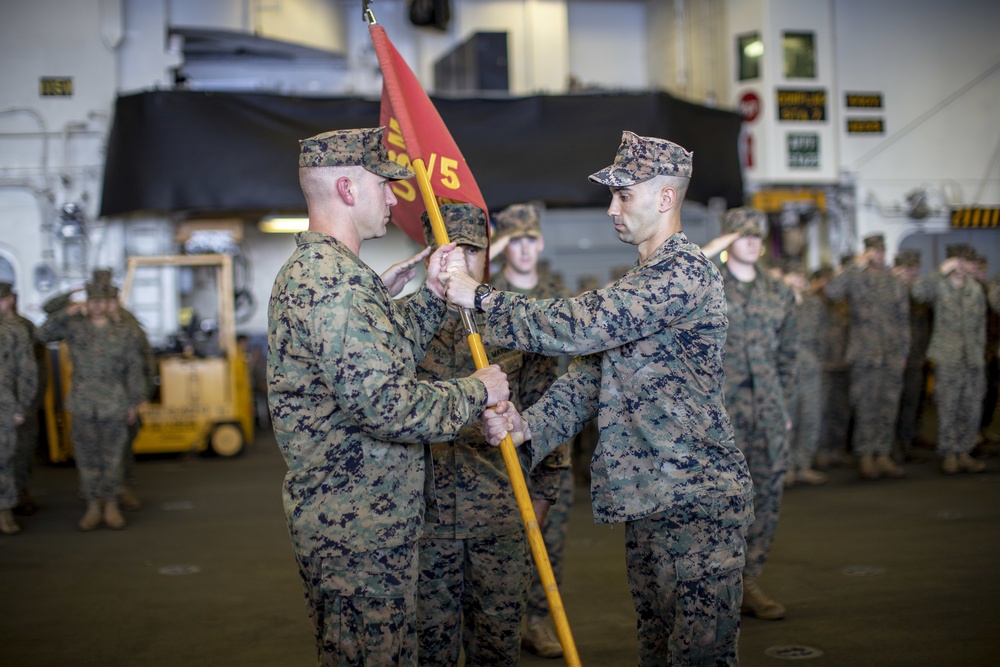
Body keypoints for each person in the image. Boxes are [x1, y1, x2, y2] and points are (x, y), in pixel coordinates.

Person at [448, 130, 753, 666]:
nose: (612, 208)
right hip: (653, 497)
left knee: (698, 657)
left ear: (665, 197)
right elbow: (592, 375)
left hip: (696, 501)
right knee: (656, 648)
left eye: (624, 195)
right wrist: (530, 427)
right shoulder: (644, 278)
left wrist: (481, 297)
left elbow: (581, 326)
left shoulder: (682, 271)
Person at [266, 127, 510, 667]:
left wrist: (430, 297)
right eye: (384, 185)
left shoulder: (332, 275)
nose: (394, 198)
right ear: (347, 189)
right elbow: (387, 406)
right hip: (357, 532)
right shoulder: (336, 285)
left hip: (362, 524)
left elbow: (379, 360)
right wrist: (478, 390)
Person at [412, 203, 552, 665]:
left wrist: (545, 494)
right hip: (426, 520)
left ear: (488, 254)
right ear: (430, 253)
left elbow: (546, 410)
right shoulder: (404, 326)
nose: (461, 261)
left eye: (472, 250)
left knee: (497, 647)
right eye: (449, 249)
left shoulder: (513, 321)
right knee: (430, 650)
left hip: (500, 515)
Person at [702, 209, 797, 621]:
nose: (752, 241)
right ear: (727, 240)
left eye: (757, 235)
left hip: (768, 411)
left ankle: (749, 581)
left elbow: (788, 355)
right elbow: (662, 275)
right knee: (722, 500)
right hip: (722, 415)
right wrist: (712, 251)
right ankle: (717, 585)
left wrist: (783, 405)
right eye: (742, 235)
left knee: (767, 495)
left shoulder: (779, 293)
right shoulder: (708, 285)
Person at [490, 202, 573, 659]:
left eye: (530, 239)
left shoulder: (558, 295)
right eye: (514, 240)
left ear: (540, 243)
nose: (523, 249)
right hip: (497, 438)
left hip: (550, 442)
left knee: (550, 538)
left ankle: (538, 620)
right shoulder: (485, 296)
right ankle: (499, 625)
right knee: (499, 538)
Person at [36, 279, 145, 530]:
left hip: (114, 403)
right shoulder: (75, 326)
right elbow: (41, 335)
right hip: (83, 403)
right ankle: (93, 506)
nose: (97, 306)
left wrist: (133, 403)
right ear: (87, 302)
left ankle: (112, 506)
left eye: (102, 301)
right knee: (87, 459)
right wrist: (67, 311)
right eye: (92, 301)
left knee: (113, 459)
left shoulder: (124, 331)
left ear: (109, 303)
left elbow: (134, 368)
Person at [825, 234, 910, 480]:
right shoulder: (856, 277)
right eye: (873, 251)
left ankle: (882, 454)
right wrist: (854, 265)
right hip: (865, 354)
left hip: (891, 355)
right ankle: (865, 456)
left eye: (881, 250)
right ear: (866, 252)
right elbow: (832, 291)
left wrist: (904, 353)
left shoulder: (893, 281)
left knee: (888, 406)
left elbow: (903, 320)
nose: (878, 255)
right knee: (865, 405)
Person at [910, 245, 987, 474]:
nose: (970, 266)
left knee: (971, 408)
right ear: (954, 262)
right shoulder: (939, 285)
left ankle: (964, 452)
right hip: (948, 357)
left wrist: (980, 354)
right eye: (964, 261)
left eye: (971, 262)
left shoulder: (974, 289)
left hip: (972, 358)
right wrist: (940, 271)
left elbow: (980, 326)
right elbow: (917, 292)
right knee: (948, 406)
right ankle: (949, 454)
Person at [783, 259, 827, 487]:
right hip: (786, 368)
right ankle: (786, 467)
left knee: (811, 416)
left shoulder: (813, 304)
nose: (798, 279)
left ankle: (803, 464)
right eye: (793, 274)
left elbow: (821, 335)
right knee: (787, 418)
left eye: (801, 275)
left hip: (810, 366)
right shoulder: (776, 303)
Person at [0, 282, 38, 535]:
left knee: (4, 459)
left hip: (5, 405)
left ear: (9, 300)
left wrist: (21, 406)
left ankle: (4, 511)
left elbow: (28, 373)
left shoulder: (16, 330)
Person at [893, 249, 932, 461]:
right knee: (893, 403)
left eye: (915, 268)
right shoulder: (889, 289)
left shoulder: (920, 292)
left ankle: (907, 440)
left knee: (912, 401)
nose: (912, 272)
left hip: (916, 357)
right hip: (894, 358)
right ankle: (892, 446)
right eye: (908, 268)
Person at [11, 291, 46, 517]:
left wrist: (34, 402)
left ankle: (21, 492)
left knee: (22, 451)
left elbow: (37, 369)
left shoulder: (24, 327)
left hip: (22, 403)